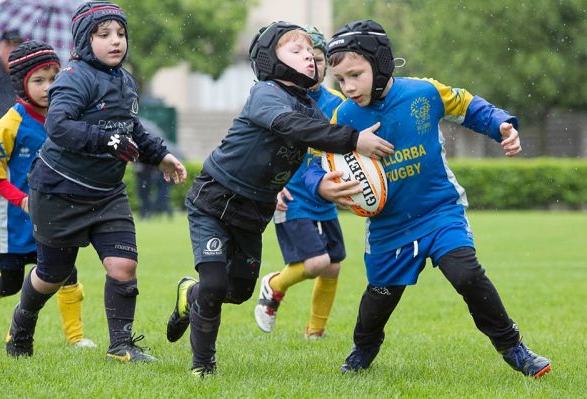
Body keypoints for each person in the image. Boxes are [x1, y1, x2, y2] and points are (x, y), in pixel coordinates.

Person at [304, 19, 552, 379]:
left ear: (381, 62)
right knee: (379, 301)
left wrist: (501, 126)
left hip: (439, 211)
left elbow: (470, 107)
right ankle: (364, 348)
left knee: (467, 274)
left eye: (355, 75)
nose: (348, 86)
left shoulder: (424, 92)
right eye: (340, 80)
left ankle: (514, 348)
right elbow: (314, 162)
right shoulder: (344, 116)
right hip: (388, 228)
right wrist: (321, 186)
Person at [165, 21, 393, 378]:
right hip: (213, 199)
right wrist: (352, 139)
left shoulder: (312, 108)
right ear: (270, 60)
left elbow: (323, 145)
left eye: (309, 52)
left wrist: (329, 182)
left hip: (255, 211)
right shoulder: (267, 93)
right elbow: (295, 128)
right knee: (214, 284)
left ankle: (189, 296)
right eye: (296, 49)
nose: (308, 57)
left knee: (237, 291)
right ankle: (203, 367)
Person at [4, 2, 187, 362]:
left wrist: (159, 154)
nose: (115, 41)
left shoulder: (126, 80)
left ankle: (121, 346)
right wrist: (106, 141)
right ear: (85, 42)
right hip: (59, 190)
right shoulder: (74, 77)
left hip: (107, 194)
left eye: (120, 34)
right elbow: (58, 126)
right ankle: (21, 328)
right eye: (104, 35)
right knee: (51, 275)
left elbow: (130, 128)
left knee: (124, 266)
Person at [0, 40, 96, 349]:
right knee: (9, 284)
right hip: (11, 219)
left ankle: (76, 339)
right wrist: (21, 200)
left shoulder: (66, 118)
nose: (48, 87)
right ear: (22, 84)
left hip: (50, 216)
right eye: (39, 80)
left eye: (53, 78)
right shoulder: (10, 122)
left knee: (65, 271)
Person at [254, 26, 347, 339]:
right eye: (309, 57)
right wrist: (271, 185)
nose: (314, 65)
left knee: (333, 266)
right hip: (290, 195)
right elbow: (258, 148)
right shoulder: (278, 99)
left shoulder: (338, 104)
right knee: (317, 261)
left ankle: (315, 333)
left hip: (324, 197)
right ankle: (273, 285)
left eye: (320, 59)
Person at [0, 30, 24, 264]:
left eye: (17, 46)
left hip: (19, 151)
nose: (12, 51)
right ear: (0, 46)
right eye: (9, 45)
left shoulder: (27, 76)